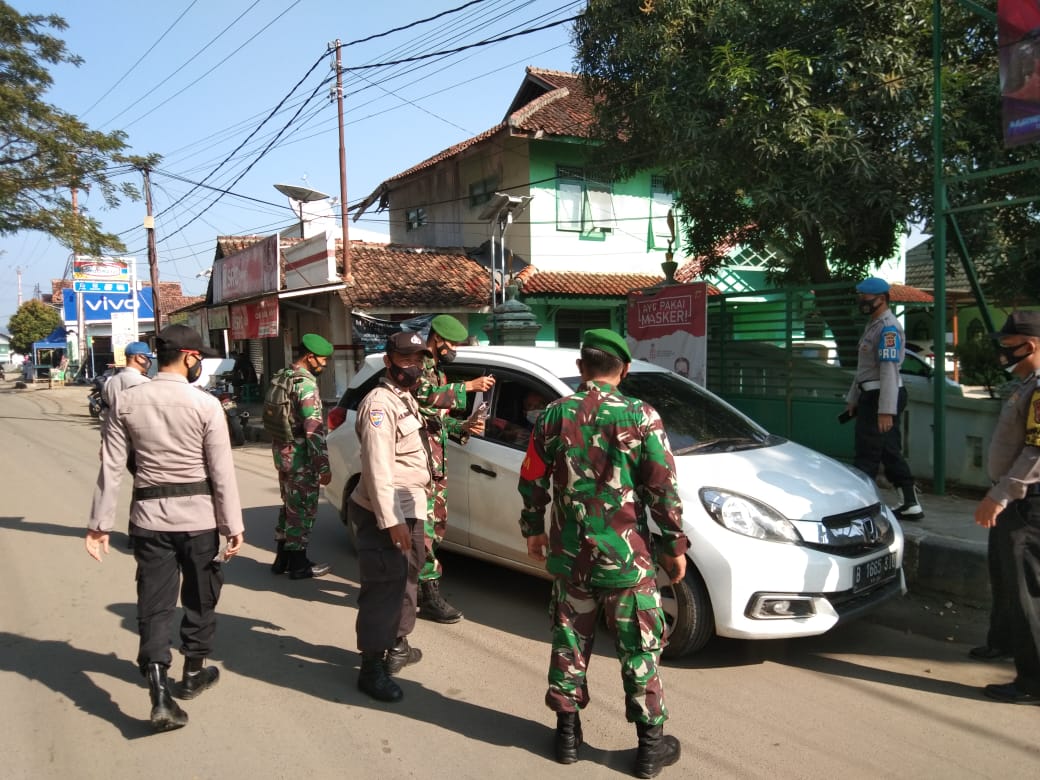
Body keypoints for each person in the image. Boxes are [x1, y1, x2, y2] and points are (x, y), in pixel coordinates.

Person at [518, 328, 688, 778]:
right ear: (624, 370)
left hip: (571, 557)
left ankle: (567, 738)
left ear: (581, 368)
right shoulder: (641, 415)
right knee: (639, 649)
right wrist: (674, 545)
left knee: (569, 642)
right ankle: (650, 748)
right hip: (627, 562)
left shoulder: (553, 415)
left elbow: (532, 476)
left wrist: (533, 529)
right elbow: (663, 488)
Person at [85, 323, 245, 733]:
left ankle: (159, 691)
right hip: (198, 521)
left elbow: (111, 467)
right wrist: (232, 525)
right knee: (201, 595)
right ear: (190, 357)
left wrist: (100, 524)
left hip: (148, 520)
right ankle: (192, 673)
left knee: (154, 603)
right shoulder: (205, 404)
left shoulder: (125, 402)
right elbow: (221, 472)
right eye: (200, 357)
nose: (200, 363)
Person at [348, 331, 434, 702]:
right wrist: (392, 521)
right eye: (405, 359)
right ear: (388, 361)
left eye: (418, 359)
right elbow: (377, 468)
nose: (413, 366)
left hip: (410, 505)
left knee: (406, 580)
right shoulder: (379, 405)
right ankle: (371, 667)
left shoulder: (404, 397)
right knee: (383, 587)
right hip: (387, 511)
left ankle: (396, 643)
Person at [974, 311, 1040, 704]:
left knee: (1025, 589)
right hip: (1011, 496)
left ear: (1029, 345)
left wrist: (999, 495)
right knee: (1003, 575)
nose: (1002, 353)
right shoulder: (1027, 383)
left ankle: (1033, 681)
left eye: (1007, 345)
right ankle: (1002, 641)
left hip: (1026, 500)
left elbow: (1036, 453)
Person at [413, 314, 495, 623]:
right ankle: (428, 594)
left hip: (436, 462)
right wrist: (469, 386)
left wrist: (464, 426)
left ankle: (416, 586)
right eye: (452, 344)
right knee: (425, 528)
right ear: (437, 339)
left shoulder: (438, 373)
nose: (454, 350)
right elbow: (423, 400)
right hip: (418, 461)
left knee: (436, 526)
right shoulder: (417, 368)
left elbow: (437, 420)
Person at [843, 277, 923, 520]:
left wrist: (886, 410)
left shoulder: (888, 328)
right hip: (872, 394)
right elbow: (864, 370)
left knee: (867, 451)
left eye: (865, 297)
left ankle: (859, 505)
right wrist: (853, 398)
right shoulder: (874, 325)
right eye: (860, 296)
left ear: (881, 299)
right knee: (888, 450)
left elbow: (888, 370)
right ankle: (910, 503)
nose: (862, 301)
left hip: (882, 396)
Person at [268, 333, 334, 580]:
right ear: (309, 357)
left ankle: (281, 559)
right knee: (303, 508)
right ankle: (298, 564)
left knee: (289, 505)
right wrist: (323, 466)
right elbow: (313, 428)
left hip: (283, 454)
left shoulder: (284, 376)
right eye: (322, 359)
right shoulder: (305, 385)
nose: (324, 364)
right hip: (301, 459)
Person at [101, 341, 154, 428]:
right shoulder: (145, 382)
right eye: (148, 358)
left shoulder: (109, 382)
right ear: (139, 358)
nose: (149, 362)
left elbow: (105, 412)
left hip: (115, 430)